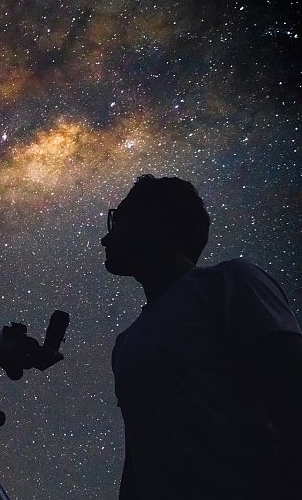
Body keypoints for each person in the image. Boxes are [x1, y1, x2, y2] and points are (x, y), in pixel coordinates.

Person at [101, 174, 302, 499]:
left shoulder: (231, 284)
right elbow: (138, 456)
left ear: (151, 222)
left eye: (117, 222)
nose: (105, 240)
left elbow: (291, 393)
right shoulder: (127, 344)